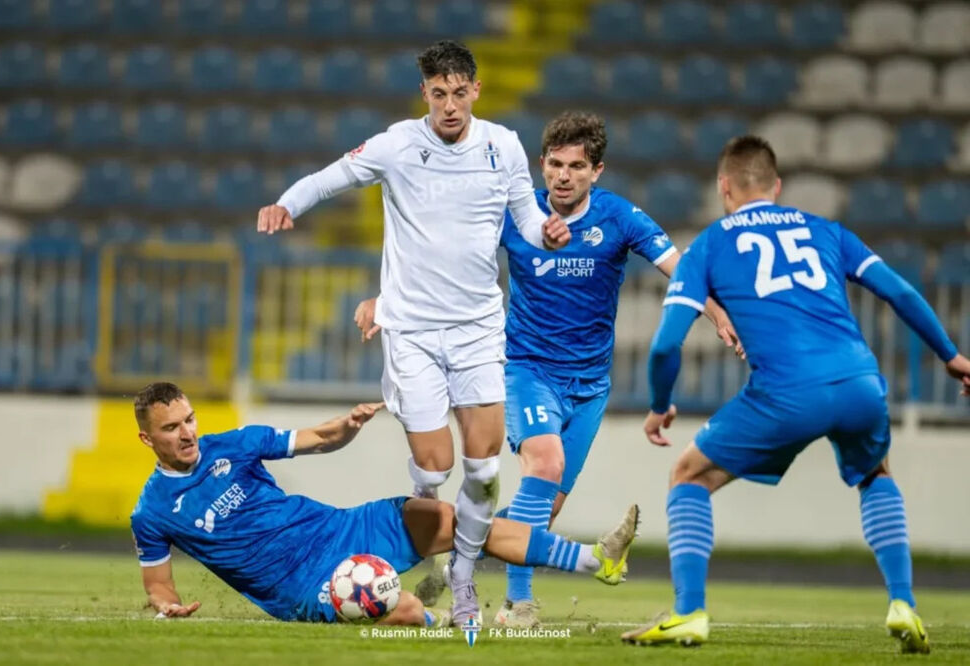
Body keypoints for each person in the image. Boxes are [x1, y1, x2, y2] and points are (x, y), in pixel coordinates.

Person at [356, 111, 740, 627]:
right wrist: (387, 300)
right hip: (523, 369)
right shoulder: (516, 215)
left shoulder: (620, 218)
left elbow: (681, 270)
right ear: (541, 164)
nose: (562, 176)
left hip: (589, 386)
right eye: (554, 165)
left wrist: (717, 314)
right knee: (545, 464)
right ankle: (519, 605)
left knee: (545, 509)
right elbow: (443, 260)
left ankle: (455, 568)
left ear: (596, 171)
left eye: (576, 167)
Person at [256, 40, 570, 625]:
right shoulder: (398, 144)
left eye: (459, 92)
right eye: (438, 93)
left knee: (483, 469)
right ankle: (423, 534)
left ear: (475, 90)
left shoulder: (502, 145)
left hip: (478, 328)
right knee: (434, 468)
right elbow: (331, 178)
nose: (450, 105)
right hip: (414, 333)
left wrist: (544, 232)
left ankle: (465, 578)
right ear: (424, 92)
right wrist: (286, 202)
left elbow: (524, 216)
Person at [620, 136, 970, 652]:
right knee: (876, 472)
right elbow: (899, 292)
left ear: (724, 187)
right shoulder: (826, 231)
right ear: (776, 186)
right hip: (859, 382)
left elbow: (666, 344)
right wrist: (951, 357)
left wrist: (658, 403)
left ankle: (689, 612)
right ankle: (903, 603)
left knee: (688, 475)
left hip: (786, 393)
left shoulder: (710, 245)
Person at [130, 382, 637, 626]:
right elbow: (159, 585)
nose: (188, 432)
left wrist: (346, 427)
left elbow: (318, 438)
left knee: (450, 519)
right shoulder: (151, 512)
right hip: (305, 587)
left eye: (189, 419)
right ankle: (441, 621)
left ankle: (598, 559)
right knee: (396, 605)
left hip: (341, 529)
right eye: (172, 428)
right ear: (147, 439)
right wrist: (168, 606)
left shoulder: (233, 444)